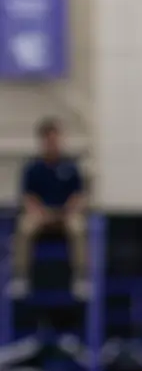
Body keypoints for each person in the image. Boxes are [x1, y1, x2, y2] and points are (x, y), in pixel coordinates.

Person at [10, 117, 89, 300]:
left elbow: (78, 196)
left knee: (78, 227)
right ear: (42, 141)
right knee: (24, 227)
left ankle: (81, 277)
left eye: (55, 139)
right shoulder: (33, 168)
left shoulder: (71, 167)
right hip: (41, 215)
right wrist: (41, 213)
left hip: (65, 215)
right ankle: (20, 277)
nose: (52, 143)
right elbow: (27, 197)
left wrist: (67, 212)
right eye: (48, 140)